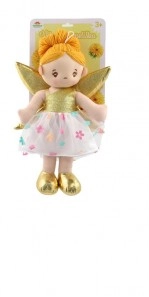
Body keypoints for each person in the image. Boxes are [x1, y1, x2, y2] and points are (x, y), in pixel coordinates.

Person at [18, 29, 107, 195]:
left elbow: (88, 105)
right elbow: (33, 107)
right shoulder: (44, 93)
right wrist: (26, 114)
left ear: (82, 72)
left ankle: (66, 174)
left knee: (68, 150)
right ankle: (47, 173)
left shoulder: (75, 94)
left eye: (74, 73)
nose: (65, 77)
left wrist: (97, 110)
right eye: (55, 73)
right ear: (41, 70)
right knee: (48, 149)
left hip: (72, 127)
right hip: (47, 127)